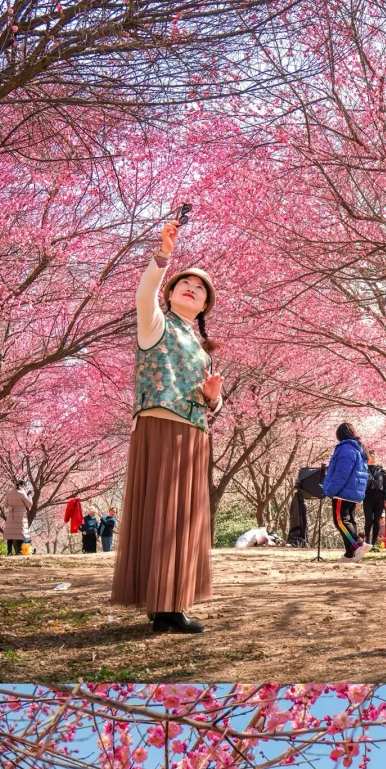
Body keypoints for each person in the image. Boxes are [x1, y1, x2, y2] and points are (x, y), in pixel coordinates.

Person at [111, 214, 223, 635]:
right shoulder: (154, 324)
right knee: (162, 512)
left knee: (182, 517)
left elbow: (214, 398)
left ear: (205, 305)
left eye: (200, 289)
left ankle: (169, 605)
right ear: (171, 293)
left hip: (194, 432)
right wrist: (164, 254)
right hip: (160, 426)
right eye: (184, 284)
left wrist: (214, 396)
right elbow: (145, 294)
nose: (191, 289)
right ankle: (164, 605)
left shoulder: (200, 346)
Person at [323, 422, 369, 560]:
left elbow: (342, 473)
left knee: (340, 521)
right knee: (349, 520)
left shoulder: (346, 448)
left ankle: (357, 546)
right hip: (353, 491)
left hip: (343, 491)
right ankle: (350, 554)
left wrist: (330, 490)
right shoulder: (358, 448)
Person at [364, 452, 386, 546]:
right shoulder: (363, 469)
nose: (373, 457)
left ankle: (374, 543)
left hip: (379, 497)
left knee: (377, 520)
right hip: (367, 497)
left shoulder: (381, 470)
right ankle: (367, 541)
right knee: (368, 520)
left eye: (375, 456)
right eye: (371, 456)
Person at [1, 480, 32, 555]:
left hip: (11, 514)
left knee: (10, 533)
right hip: (20, 514)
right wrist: (30, 496)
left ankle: (9, 551)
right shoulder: (22, 492)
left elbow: (5, 504)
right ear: (22, 485)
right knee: (20, 533)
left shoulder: (9, 492)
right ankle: (19, 551)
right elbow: (29, 504)